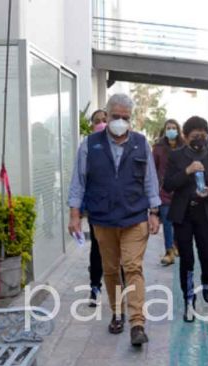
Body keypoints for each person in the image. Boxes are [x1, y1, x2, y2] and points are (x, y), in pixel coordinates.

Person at [68, 93, 161, 347]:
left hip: (134, 217)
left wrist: (154, 212)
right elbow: (79, 181)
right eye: (116, 116)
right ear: (106, 116)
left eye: (125, 117)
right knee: (110, 270)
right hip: (103, 218)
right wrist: (74, 214)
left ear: (131, 119)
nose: (120, 121)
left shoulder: (141, 144)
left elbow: (150, 181)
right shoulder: (90, 144)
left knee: (132, 267)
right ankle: (117, 313)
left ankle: (137, 323)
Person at [163, 116, 208, 322]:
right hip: (183, 214)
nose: (199, 137)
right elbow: (168, 184)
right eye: (194, 134)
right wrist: (187, 171)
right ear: (186, 136)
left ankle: (206, 282)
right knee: (187, 259)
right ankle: (189, 299)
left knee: (207, 256)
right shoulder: (176, 156)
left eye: (203, 133)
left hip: (205, 213)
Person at [152, 119, 184, 266]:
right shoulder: (158, 147)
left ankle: (177, 245)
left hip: (181, 190)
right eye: (168, 128)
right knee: (167, 221)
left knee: (179, 222)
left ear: (178, 130)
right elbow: (153, 169)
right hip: (164, 190)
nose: (171, 130)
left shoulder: (184, 147)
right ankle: (168, 251)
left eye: (173, 127)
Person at [87, 109, 107, 307]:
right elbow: (81, 178)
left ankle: (121, 287)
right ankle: (94, 286)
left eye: (104, 120)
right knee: (97, 248)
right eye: (97, 121)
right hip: (97, 207)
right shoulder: (87, 146)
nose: (101, 123)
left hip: (120, 208)